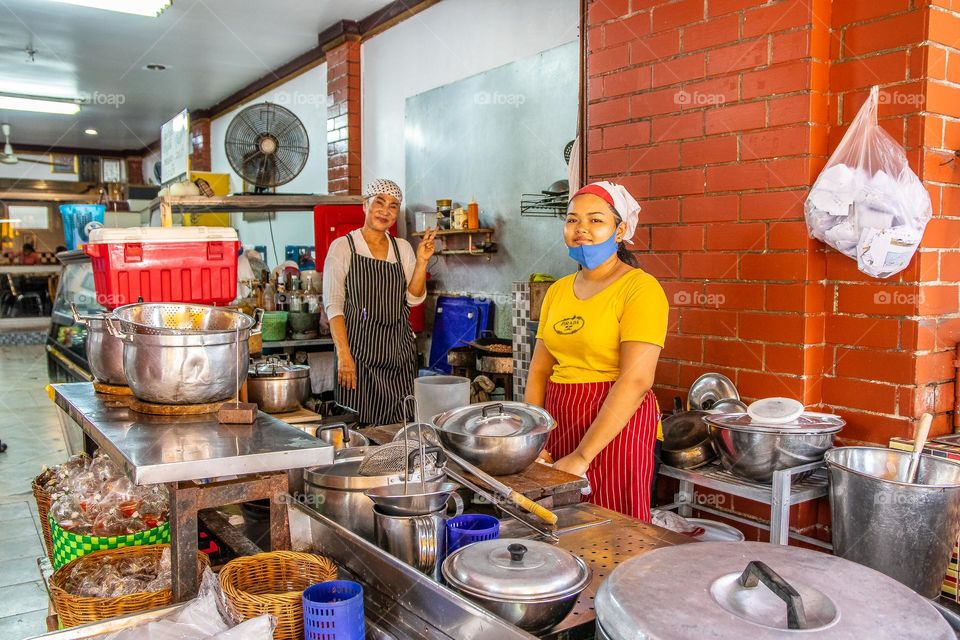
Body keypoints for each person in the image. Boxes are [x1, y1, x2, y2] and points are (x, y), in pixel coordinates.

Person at [524, 181, 668, 521]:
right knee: (559, 524)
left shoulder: (640, 289)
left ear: (619, 231)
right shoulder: (558, 291)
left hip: (617, 424)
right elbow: (540, 371)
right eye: (572, 220)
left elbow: (636, 380)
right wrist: (533, 438)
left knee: (611, 529)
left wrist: (583, 455)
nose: (581, 230)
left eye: (595, 220)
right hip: (559, 418)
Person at [323, 179, 438, 424]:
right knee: (358, 429)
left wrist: (422, 262)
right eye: (379, 202)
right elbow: (334, 306)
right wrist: (344, 356)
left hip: (399, 356)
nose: (386, 211)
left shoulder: (403, 248)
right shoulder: (343, 247)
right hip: (358, 358)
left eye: (393, 206)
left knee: (401, 429)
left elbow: (414, 299)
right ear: (365, 205)